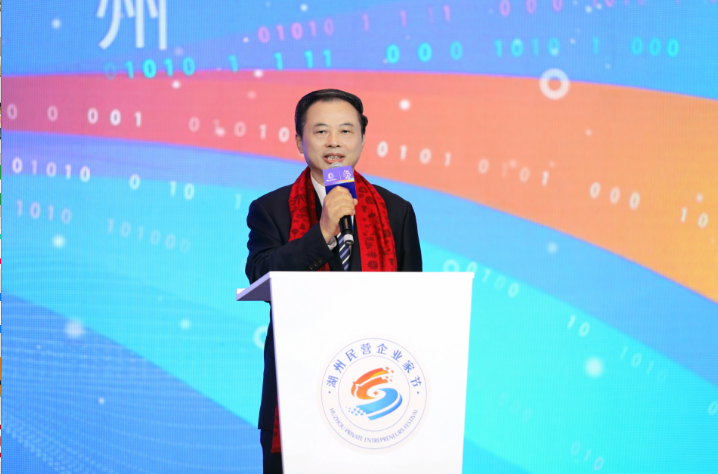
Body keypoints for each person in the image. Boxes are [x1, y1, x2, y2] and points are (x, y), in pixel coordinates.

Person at [245, 89, 422, 473]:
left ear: (362, 139)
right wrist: (323, 232)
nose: (334, 142)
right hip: (295, 393)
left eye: (346, 130)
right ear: (299, 141)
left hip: (376, 400)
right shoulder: (270, 209)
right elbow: (260, 272)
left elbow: (414, 303)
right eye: (321, 131)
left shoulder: (396, 211)